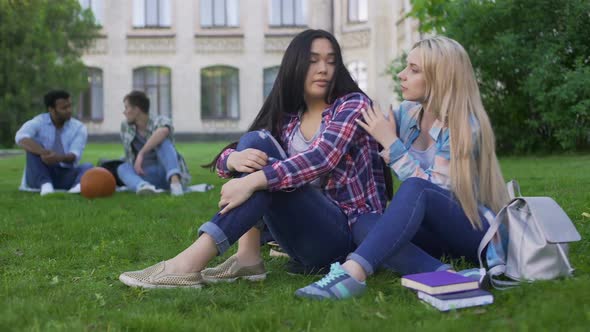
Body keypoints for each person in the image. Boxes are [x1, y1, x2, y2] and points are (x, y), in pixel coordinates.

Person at [118, 29, 392, 288]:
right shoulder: (288, 120)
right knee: (253, 144)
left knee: (265, 171)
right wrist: (232, 160)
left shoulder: (352, 104)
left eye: (331, 61)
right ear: (295, 65)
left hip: (341, 239)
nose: (323, 69)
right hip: (300, 238)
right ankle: (247, 257)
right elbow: (239, 149)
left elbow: (321, 158)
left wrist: (252, 182)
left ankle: (189, 262)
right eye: (313, 61)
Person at [296, 36, 510, 300]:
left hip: (474, 231)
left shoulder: (465, 126)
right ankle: (445, 275)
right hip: (434, 236)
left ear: (440, 78)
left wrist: (390, 142)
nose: (401, 74)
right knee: (365, 223)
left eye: (414, 69)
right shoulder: (408, 113)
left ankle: (352, 273)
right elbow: (362, 126)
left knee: (415, 187)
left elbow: (435, 191)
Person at [15, 90, 93, 196]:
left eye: (70, 106)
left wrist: (57, 158)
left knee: (88, 166)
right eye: (64, 108)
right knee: (33, 146)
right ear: (51, 109)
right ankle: (46, 186)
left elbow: (74, 155)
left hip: (65, 174)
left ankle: (77, 188)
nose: (69, 110)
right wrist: (43, 152)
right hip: (40, 174)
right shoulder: (39, 121)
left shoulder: (79, 128)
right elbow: (20, 137)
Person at [116, 90, 190, 196]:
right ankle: (144, 187)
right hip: (144, 174)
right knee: (121, 168)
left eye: (127, 107)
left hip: (165, 172)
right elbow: (129, 156)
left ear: (136, 110)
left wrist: (141, 153)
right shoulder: (125, 126)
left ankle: (175, 184)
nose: (124, 112)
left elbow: (163, 131)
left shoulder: (159, 120)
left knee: (163, 142)